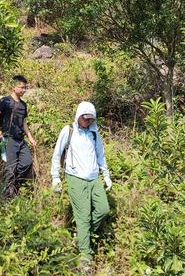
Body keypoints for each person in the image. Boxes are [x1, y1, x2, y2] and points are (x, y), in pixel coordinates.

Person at [51, 101, 112, 266]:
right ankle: (85, 256)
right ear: (78, 116)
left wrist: (106, 175)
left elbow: (101, 154)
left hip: (94, 178)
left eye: (91, 119)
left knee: (103, 210)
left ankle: (82, 233)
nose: (88, 122)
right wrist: (55, 177)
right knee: (83, 215)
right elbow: (57, 154)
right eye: (85, 118)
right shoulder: (68, 131)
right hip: (75, 177)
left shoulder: (94, 133)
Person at [0, 75, 37, 199]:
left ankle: (14, 186)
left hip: (20, 140)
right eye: (21, 87)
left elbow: (24, 123)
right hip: (7, 139)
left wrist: (31, 137)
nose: (24, 90)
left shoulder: (23, 105)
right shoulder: (5, 101)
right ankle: (6, 199)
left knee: (27, 163)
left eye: (25, 88)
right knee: (10, 168)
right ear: (14, 87)